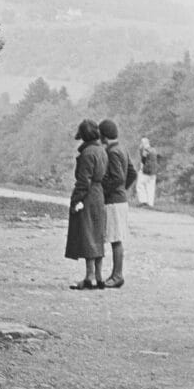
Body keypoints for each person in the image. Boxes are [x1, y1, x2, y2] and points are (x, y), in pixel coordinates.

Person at [65, 119, 108, 289]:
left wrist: (76, 199)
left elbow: (83, 181)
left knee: (88, 235)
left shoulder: (87, 153)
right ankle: (99, 276)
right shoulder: (102, 151)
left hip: (88, 195)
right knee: (98, 235)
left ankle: (89, 277)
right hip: (99, 195)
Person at [99, 119, 131, 289]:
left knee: (115, 239)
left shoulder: (111, 152)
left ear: (103, 136)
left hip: (113, 201)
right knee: (116, 237)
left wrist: (104, 190)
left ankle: (117, 275)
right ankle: (116, 274)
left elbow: (118, 177)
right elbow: (131, 173)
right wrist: (123, 190)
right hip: (121, 199)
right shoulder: (122, 149)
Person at [137, 136, 158, 208]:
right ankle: (150, 203)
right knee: (151, 187)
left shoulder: (145, 150)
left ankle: (143, 201)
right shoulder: (154, 150)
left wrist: (141, 169)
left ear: (143, 143)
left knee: (140, 185)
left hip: (146, 171)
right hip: (153, 172)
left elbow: (143, 160)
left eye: (141, 143)